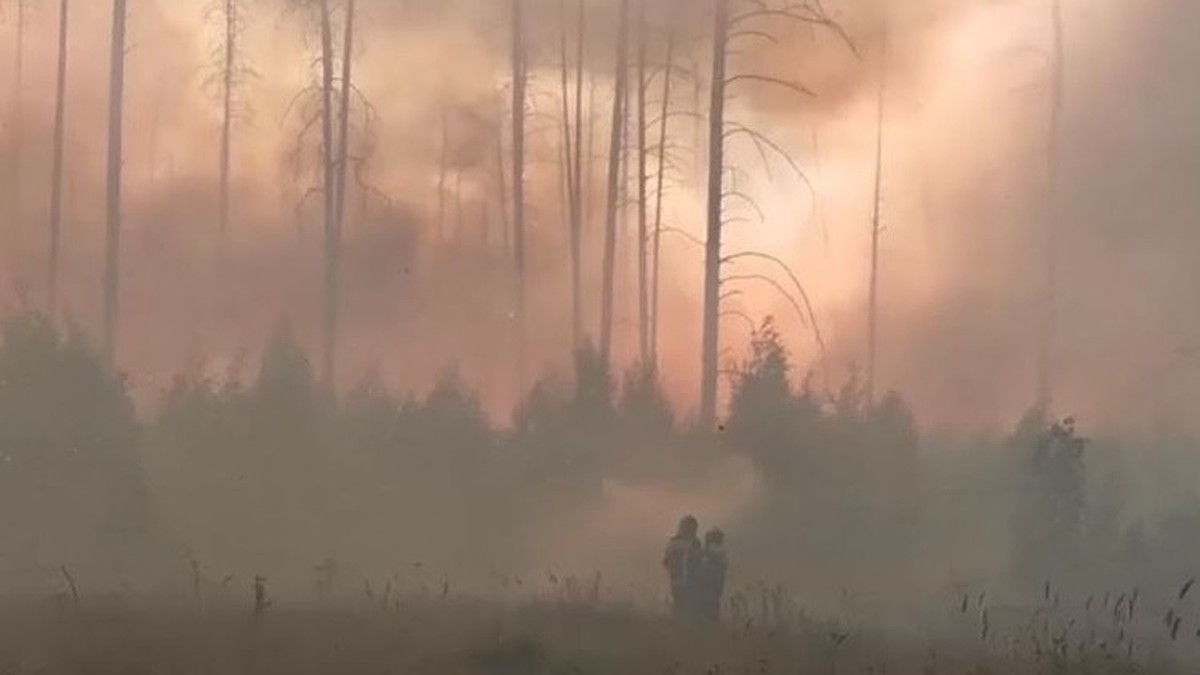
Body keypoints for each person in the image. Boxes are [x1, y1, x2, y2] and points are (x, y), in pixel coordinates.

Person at [662, 515, 702, 617]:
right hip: (690, 582)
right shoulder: (694, 543)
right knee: (690, 611)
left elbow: (665, 562)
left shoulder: (672, 543)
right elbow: (698, 561)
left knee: (678, 608)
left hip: (675, 581)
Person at [696, 528, 728, 621]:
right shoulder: (717, 549)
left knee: (711, 600)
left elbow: (711, 558)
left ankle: (711, 620)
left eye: (711, 537)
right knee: (709, 600)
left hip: (713, 580)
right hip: (711, 580)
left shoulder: (718, 549)